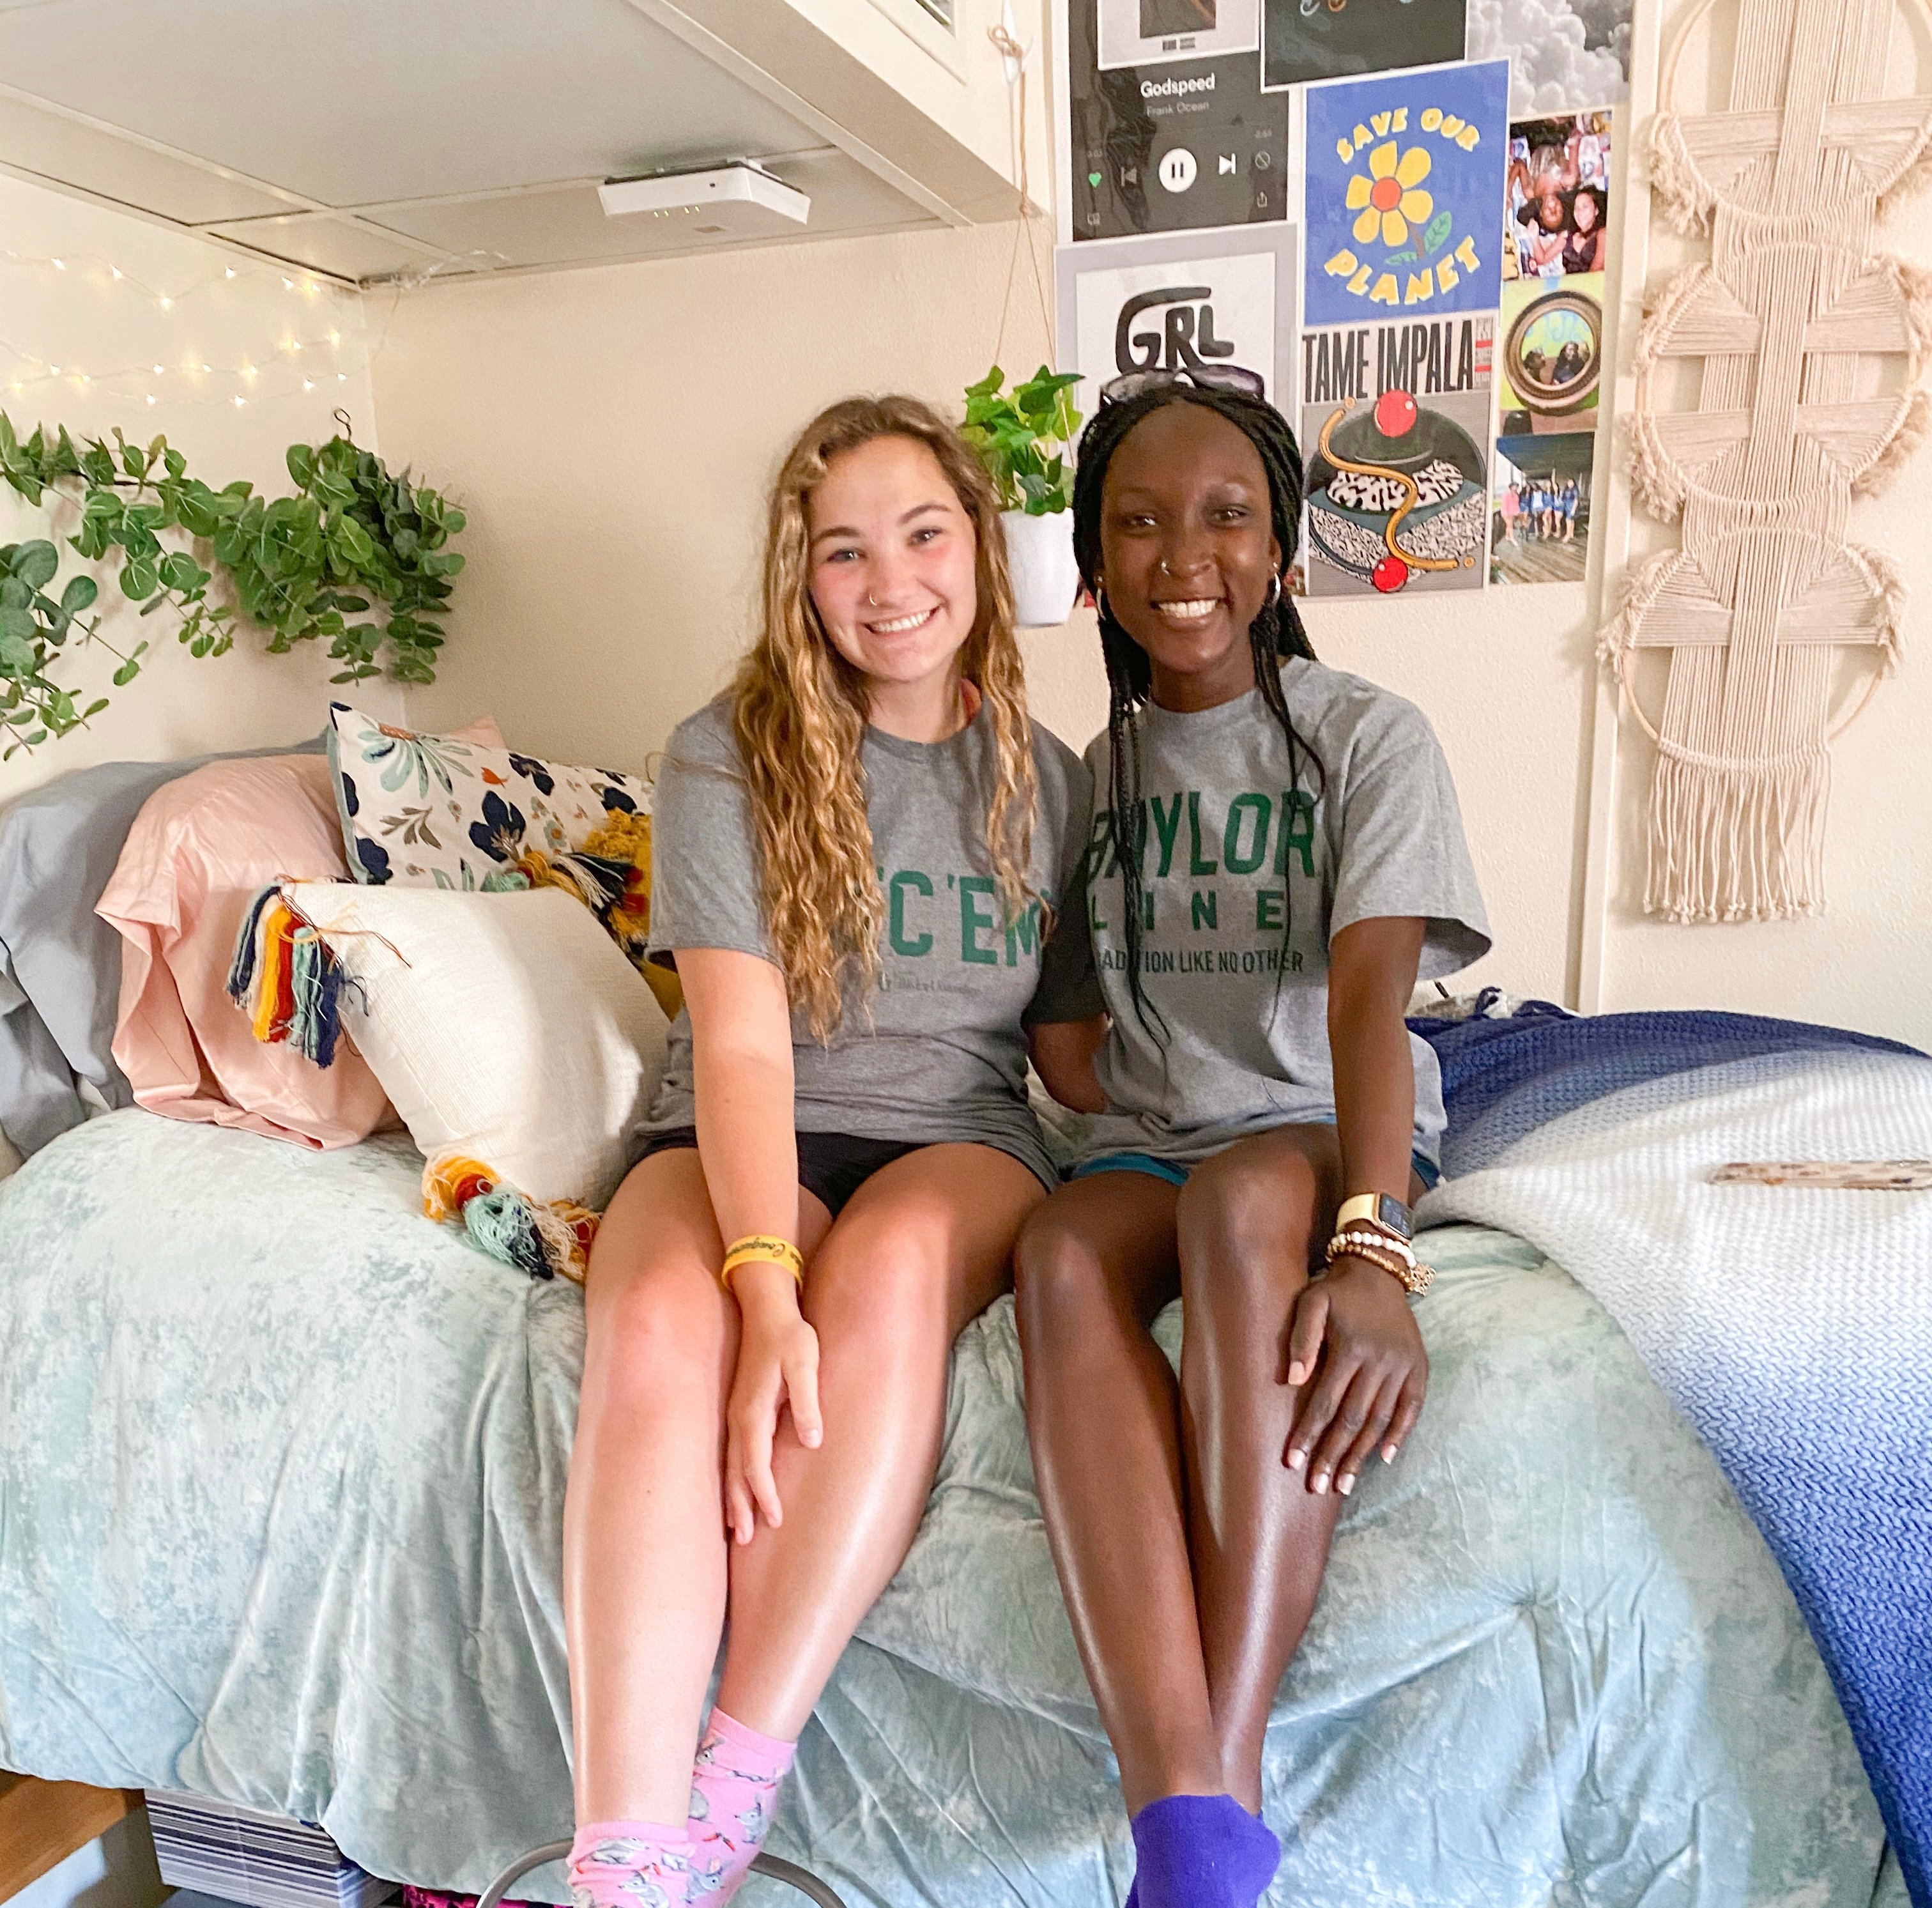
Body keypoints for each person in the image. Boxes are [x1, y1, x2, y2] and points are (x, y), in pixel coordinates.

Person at [562, 394, 1103, 1908]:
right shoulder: (727, 751)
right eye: (843, 549)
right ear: (801, 577)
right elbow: (739, 1045)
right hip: (745, 1117)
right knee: (667, 1315)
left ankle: (739, 1769)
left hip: (958, 1131)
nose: (891, 581)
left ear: (981, 551)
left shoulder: (1052, 780)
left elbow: (1069, 1055)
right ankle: (623, 1852)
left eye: (924, 533)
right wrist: (758, 1283)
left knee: (893, 1271)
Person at [1013, 376, 1489, 1908]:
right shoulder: (1094, 779)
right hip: (1152, 1128)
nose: (1182, 553)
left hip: (1313, 1118)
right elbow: (1078, 1054)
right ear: (1094, 560)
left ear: (1282, 548)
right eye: (1138, 521)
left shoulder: (1368, 734)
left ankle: (1216, 1796)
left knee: (1233, 1217)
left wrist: (1370, 1238)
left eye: (1225, 515)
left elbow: (1367, 999)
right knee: (1058, 1251)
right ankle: (1184, 1804)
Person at [1564, 185, 1607, 274]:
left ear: (1596, 210)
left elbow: (1597, 269)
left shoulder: (1603, 233)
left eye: (1585, 207)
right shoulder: (1569, 235)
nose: (1580, 212)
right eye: (1577, 208)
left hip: (1589, 285)